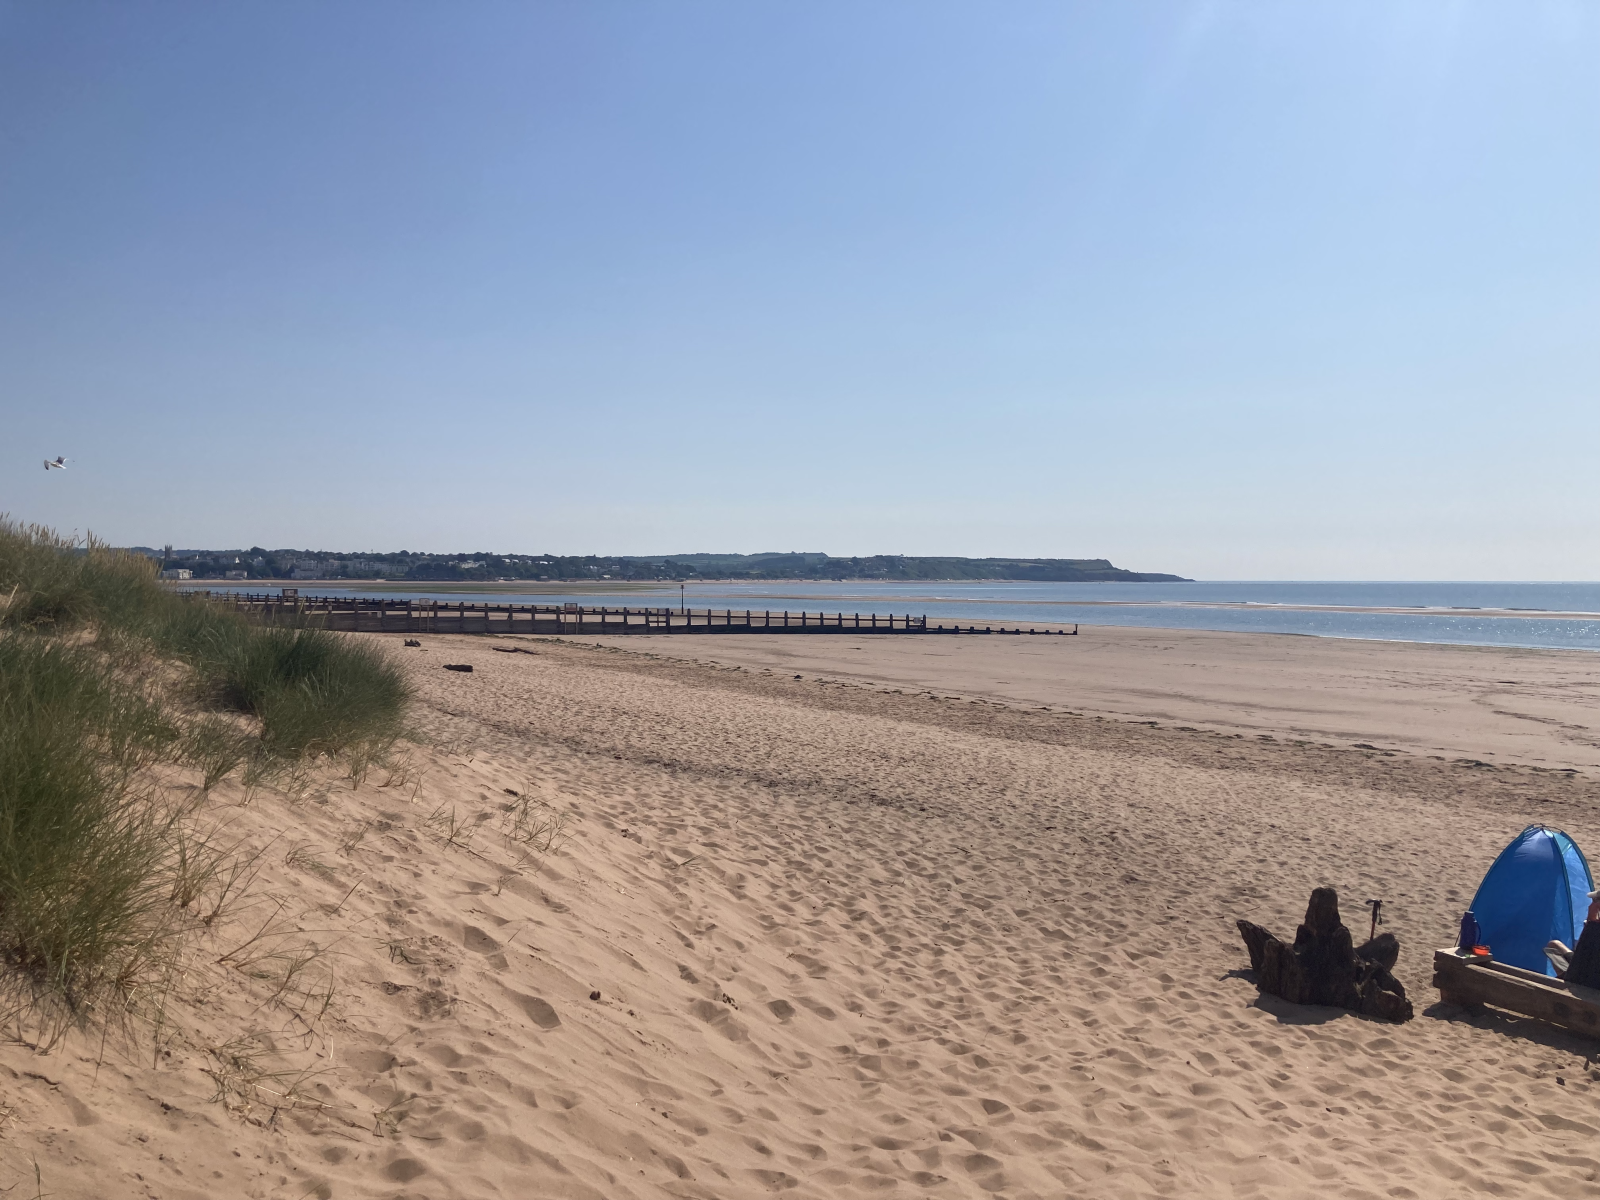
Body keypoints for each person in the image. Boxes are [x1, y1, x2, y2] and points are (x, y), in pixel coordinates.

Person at [1563, 888, 1600, 989]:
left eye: (1594, 901)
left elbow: (1576, 970)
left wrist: (1591, 921)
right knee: (1555, 945)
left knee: (1553, 946)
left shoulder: (1594, 930)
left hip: (1584, 989)